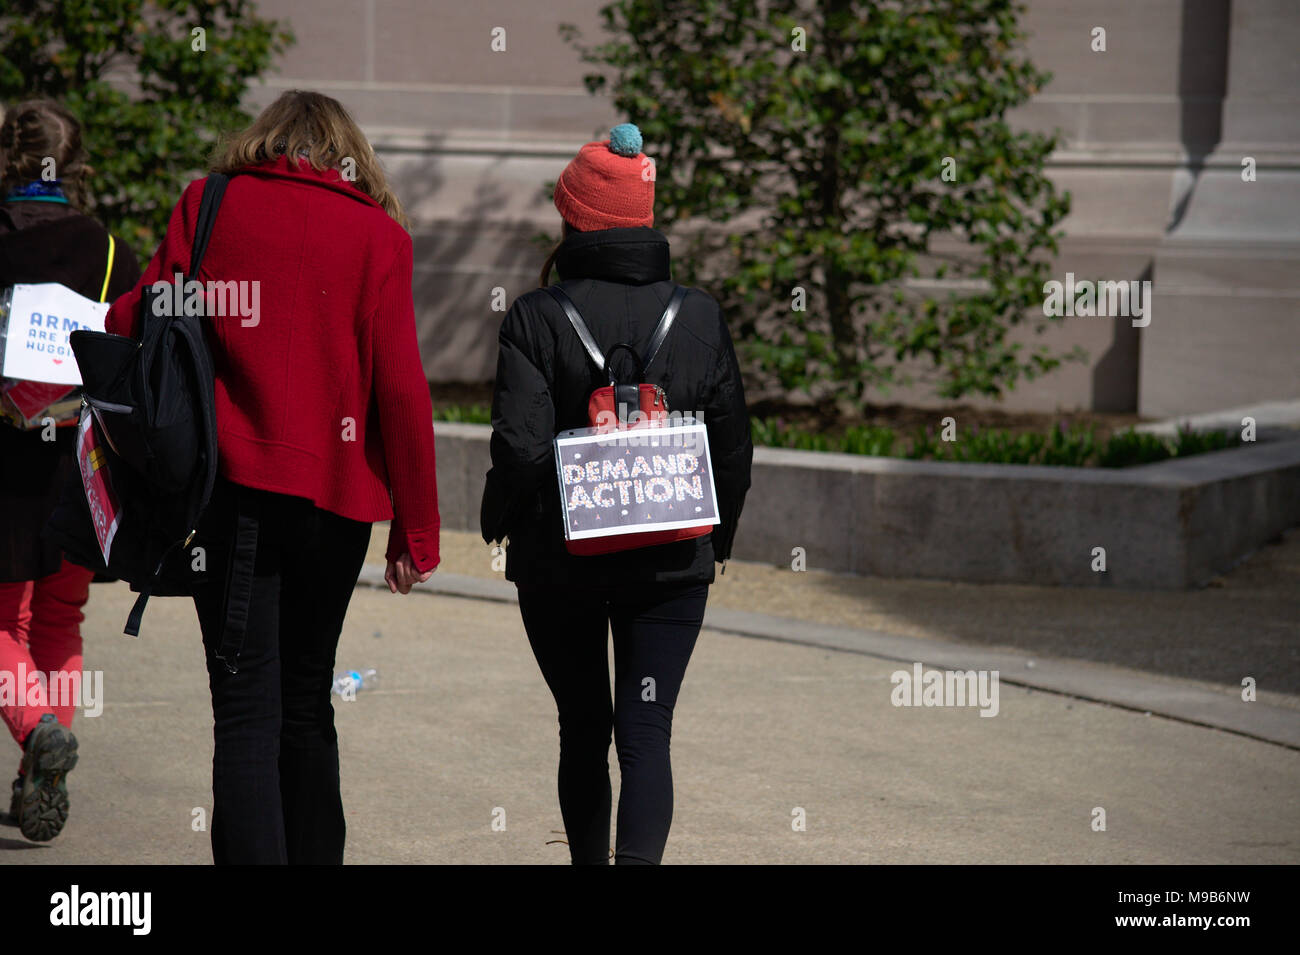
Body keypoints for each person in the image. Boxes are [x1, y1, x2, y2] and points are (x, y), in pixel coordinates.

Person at [103, 90, 439, 864]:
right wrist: (415, 529)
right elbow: (400, 386)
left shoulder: (210, 202)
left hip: (228, 493)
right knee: (306, 703)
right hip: (337, 503)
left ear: (266, 139)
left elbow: (146, 311)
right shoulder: (378, 235)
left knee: (245, 713)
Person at [481, 123, 753, 864]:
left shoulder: (536, 317)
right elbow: (731, 443)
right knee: (645, 731)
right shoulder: (698, 314)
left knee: (583, 727)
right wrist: (714, 538)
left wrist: (498, 520)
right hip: (671, 558)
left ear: (571, 219)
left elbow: (522, 448)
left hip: (561, 561)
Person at [0, 100, 142, 842]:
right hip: (82, 468)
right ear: (75, 167)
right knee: (58, 616)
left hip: (6, 468)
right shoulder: (111, 252)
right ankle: (39, 770)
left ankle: (33, 729)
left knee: (1, 621)